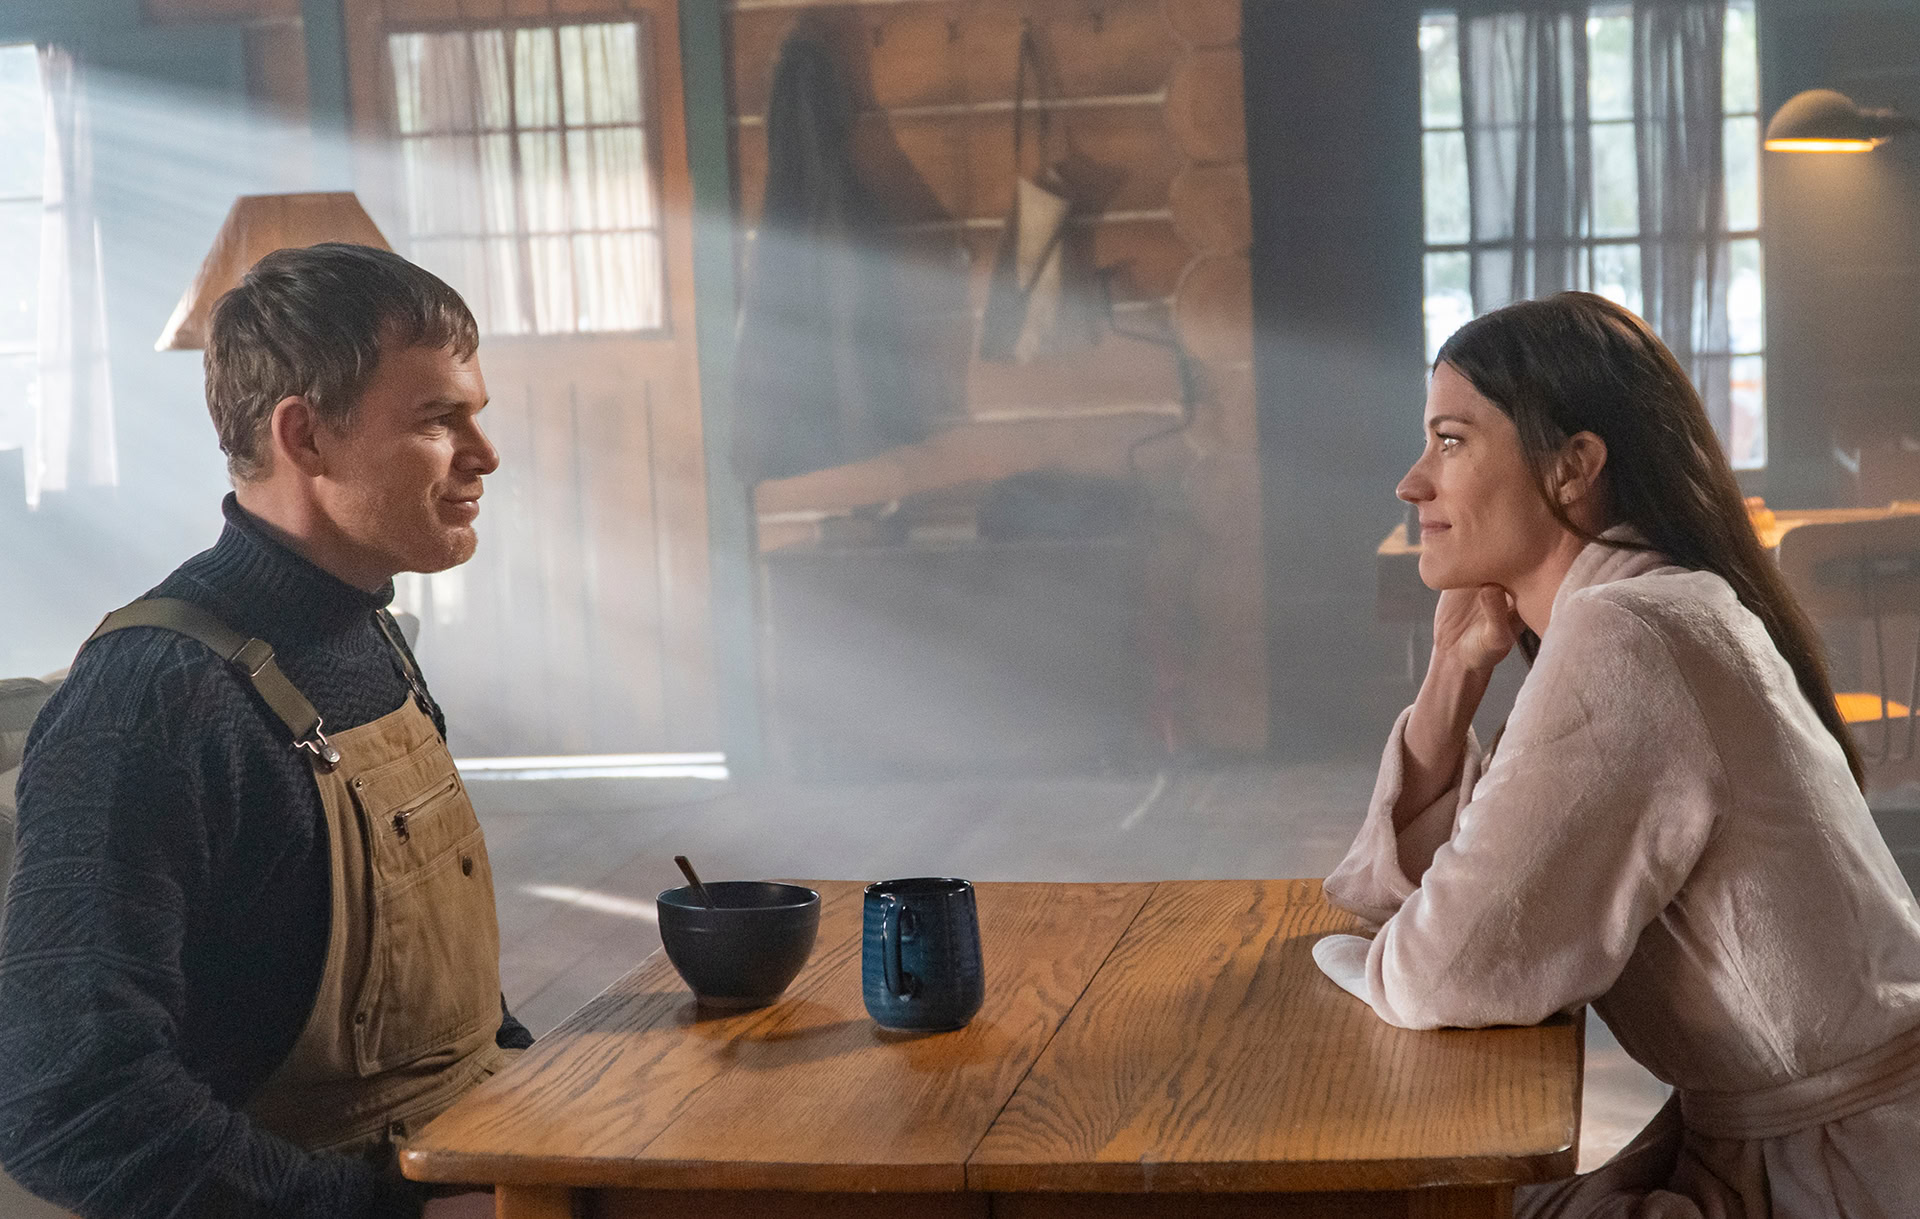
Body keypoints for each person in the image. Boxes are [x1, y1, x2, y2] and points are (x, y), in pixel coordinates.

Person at [1314, 291, 1920, 1217]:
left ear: (1573, 467)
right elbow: (1435, 898)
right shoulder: (1652, 606)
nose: (1412, 483)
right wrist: (1452, 673)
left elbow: (1442, 965)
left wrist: (1367, 962)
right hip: (1805, 1147)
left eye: (1450, 441)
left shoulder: (1629, 633)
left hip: (1839, 1178)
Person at [0, 243, 529, 1218]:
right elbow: (70, 1103)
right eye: (438, 418)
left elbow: (453, 1027)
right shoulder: (151, 701)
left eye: (475, 413)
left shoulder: (371, 633)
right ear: (306, 435)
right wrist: (403, 1214)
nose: (484, 453)